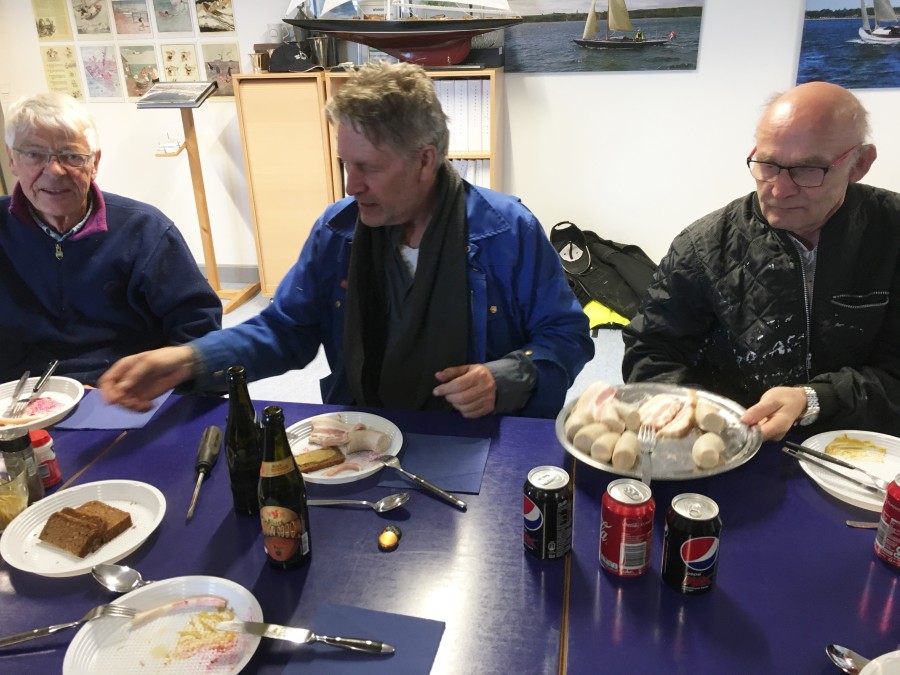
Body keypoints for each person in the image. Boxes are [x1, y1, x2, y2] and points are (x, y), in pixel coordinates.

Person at [99, 62, 593, 419]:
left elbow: (568, 337)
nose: (351, 185)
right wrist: (190, 359)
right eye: (345, 164)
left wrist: (505, 378)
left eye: (367, 167)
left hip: (481, 437)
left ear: (425, 160)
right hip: (363, 434)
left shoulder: (506, 230)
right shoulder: (337, 230)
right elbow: (285, 330)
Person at [622, 81, 900, 441]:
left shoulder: (892, 233)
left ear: (859, 163)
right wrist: (695, 412)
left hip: (867, 446)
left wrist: (815, 399)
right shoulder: (703, 246)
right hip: (736, 441)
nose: (779, 190)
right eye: (767, 164)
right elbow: (651, 350)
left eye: (808, 169)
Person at [2, 92, 222, 386]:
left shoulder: (145, 230)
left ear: (94, 163)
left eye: (72, 156)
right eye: (34, 155)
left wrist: (151, 385)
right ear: (12, 159)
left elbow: (198, 329)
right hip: (15, 394)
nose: (54, 170)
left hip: (122, 391)